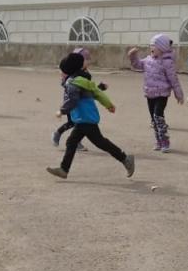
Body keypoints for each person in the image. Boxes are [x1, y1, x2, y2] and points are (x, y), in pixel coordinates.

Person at [47, 51, 135, 180]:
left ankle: (126, 159)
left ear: (68, 71)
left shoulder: (72, 83)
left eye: (61, 71)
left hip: (85, 119)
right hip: (85, 118)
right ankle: (64, 169)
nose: (60, 74)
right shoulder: (82, 80)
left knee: (100, 143)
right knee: (72, 142)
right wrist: (108, 104)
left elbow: (72, 100)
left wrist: (62, 111)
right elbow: (97, 92)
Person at [128, 34, 184, 152]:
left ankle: (165, 140)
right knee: (153, 119)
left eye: (154, 46)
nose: (151, 48)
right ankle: (158, 140)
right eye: (151, 45)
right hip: (150, 93)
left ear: (162, 48)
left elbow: (173, 79)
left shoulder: (167, 62)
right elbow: (137, 65)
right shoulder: (148, 60)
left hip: (162, 94)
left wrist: (178, 93)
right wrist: (132, 56)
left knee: (158, 116)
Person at [51, 47, 104, 148]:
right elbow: (66, 84)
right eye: (86, 59)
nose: (88, 62)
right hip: (72, 101)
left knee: (80, 123)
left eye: (88, 59)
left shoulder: (86, 74)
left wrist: (100, 88)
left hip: (81, 103)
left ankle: (75, 141)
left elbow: (89, 88)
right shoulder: (71, 72)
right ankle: (58, 134)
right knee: (74, 122)